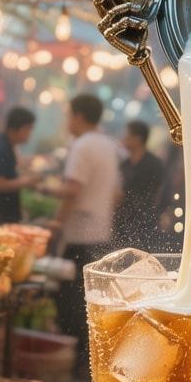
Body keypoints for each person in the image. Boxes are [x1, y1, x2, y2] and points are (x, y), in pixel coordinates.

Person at [49, 93, 122, 359]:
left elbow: (72, 190)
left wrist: (57, 222)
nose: (67, 120)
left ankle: (75, 358)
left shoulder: (82, 146)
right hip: (101, 233)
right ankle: (87, 358)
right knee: (89, 300)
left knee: (70, 301)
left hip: (80, 234)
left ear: (78, 116)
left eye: (68, 114)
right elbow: (115, 194)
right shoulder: (107, 144)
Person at [111, 119, 166, 252]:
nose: (123, 139)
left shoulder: (154, 164)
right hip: (123, 224)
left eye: (127, 135)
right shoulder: (125, 164)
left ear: (137, 138)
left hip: (146, 224)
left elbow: (161, 193)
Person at [0, 106, 38, 224]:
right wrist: (26, 181)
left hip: (2, 215)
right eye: (28, 129)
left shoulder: (8, 146)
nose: (29, 134)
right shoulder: (1, 149)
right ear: (16, 128)